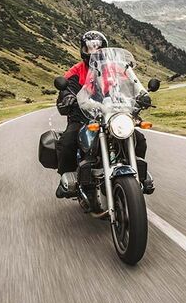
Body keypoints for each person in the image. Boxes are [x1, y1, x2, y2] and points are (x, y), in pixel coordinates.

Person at [55, 31, 154, 196]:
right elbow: (65, 90)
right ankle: (68, 180)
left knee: (139, 139)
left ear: (105, 49)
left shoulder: (116, 69)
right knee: (67, 141)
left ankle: (138, 174)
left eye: (98, 48)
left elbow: (131, 84)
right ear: (82, 50)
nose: (94, 52)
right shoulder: (76, 71)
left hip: (112, 115)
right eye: (89, 48)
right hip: (83, 117)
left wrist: (141, 95)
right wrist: (67, 97)